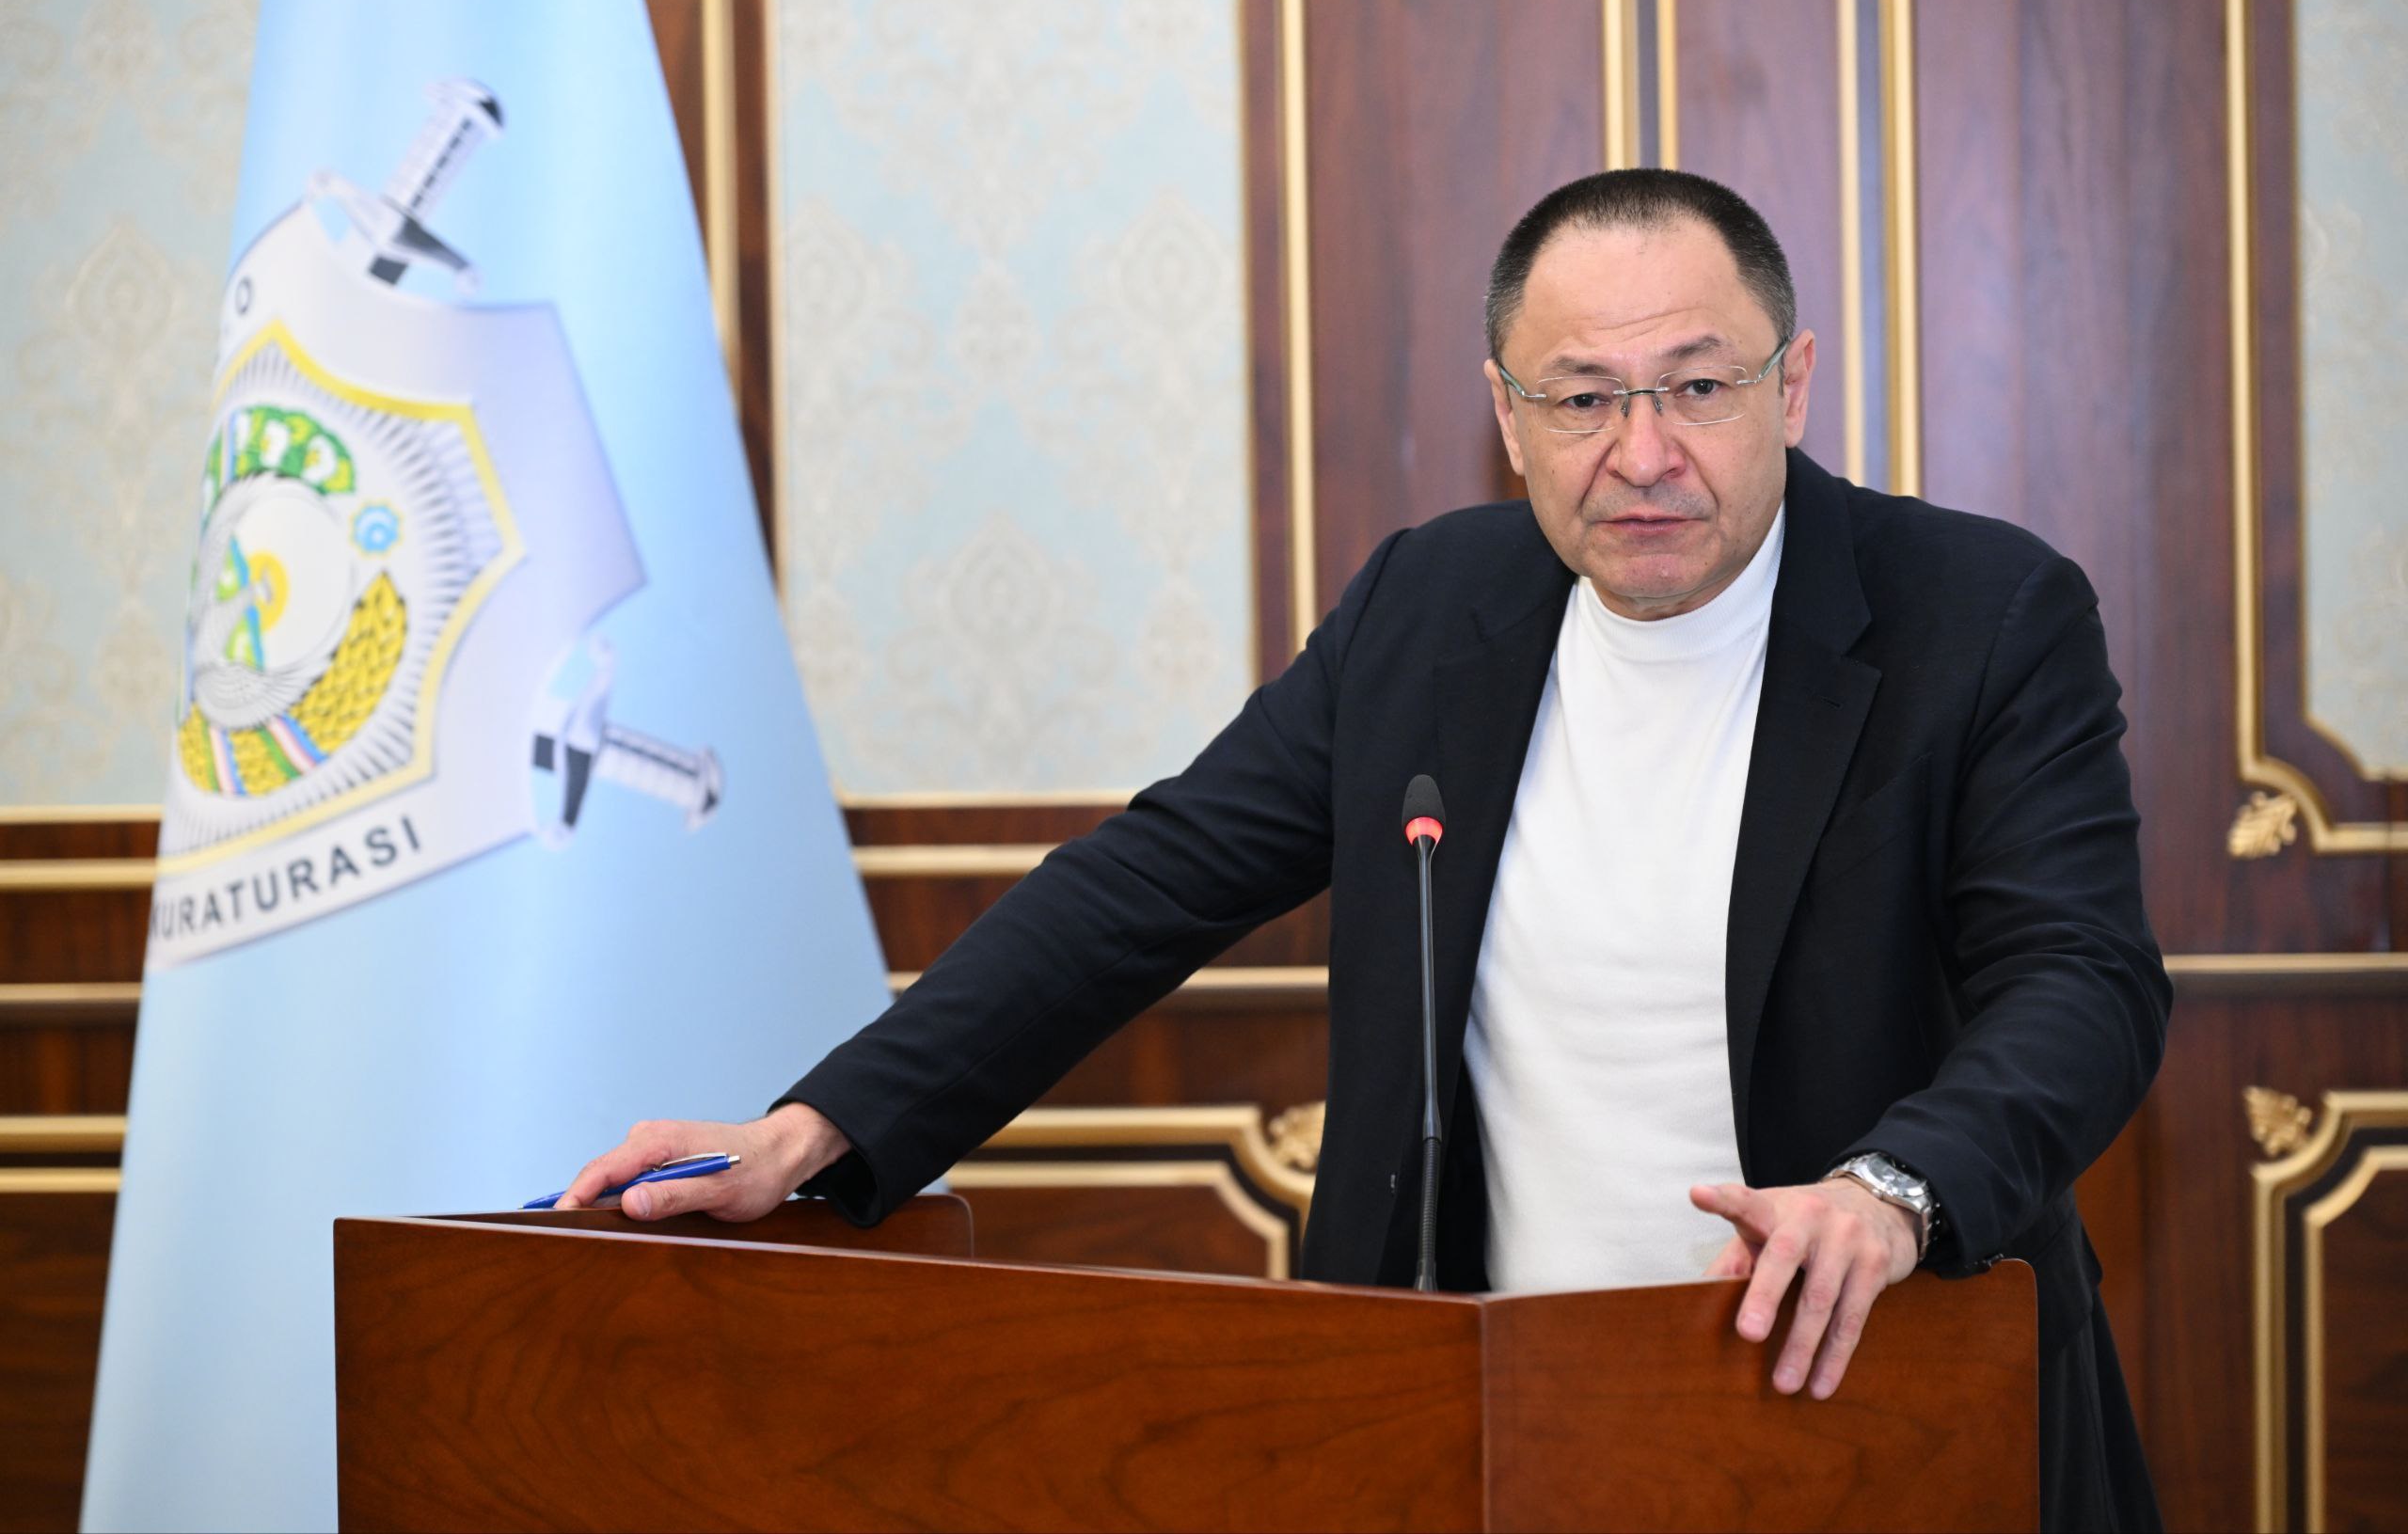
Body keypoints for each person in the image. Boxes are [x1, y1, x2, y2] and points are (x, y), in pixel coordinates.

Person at [557, 169, 2167, 1532]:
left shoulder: (1982, 617)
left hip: (1889, 1395)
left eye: (1698, 386)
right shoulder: (1427, 609)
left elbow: (2082, 979)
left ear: (1792, 387)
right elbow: (1147, 884)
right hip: (1497, 1422)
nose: (1644, 451)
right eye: (1583, 398)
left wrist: (1894, 1191)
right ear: (1508, 417)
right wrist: (820, 1129)